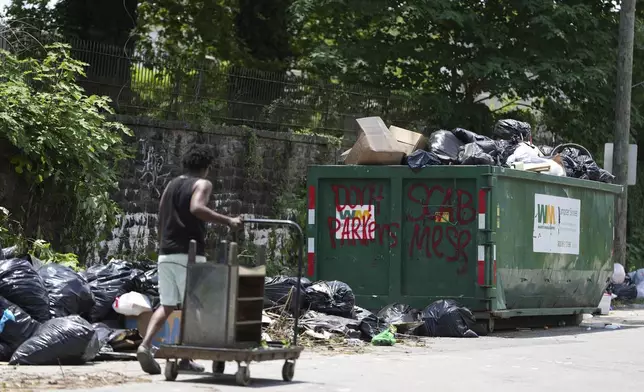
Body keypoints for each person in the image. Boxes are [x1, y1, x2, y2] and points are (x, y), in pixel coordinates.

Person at [137, 143, 243, 375]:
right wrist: (229, 221)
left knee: (167, 305)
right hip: (189, 253)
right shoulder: (202, 183)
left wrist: (163, 243)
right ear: (206, 167)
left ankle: (145, 346)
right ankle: (187, 356)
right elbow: (197, 208)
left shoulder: (171, 185)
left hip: (166, 252)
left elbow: (161, 215)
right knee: (195, 306)